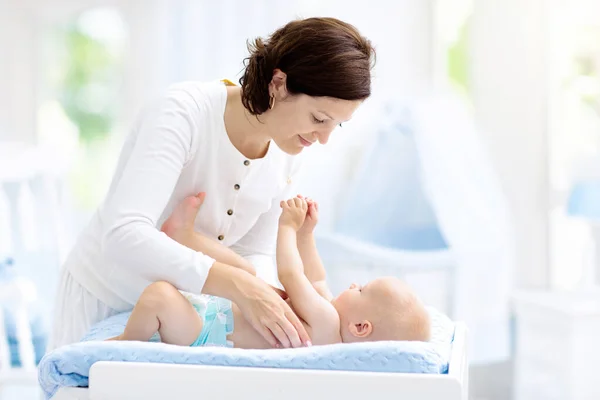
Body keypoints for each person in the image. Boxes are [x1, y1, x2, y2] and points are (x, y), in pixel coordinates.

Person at [48, 16, 375, 351]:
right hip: (107, 299)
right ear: (278, 83)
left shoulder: (290, 148)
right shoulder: (182, 114)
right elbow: (123, 234)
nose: (323, 138)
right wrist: (238, 285)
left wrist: (269, 299)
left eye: (337, 125)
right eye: (319, 119)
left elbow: (253, 251)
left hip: (183, 320)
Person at [108, 193, 430, 348]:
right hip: (214, 316)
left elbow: (292, 275)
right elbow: (315, 276)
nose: (355, 285)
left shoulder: (327, 322)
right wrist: (307, 235)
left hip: (206, 333)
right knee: (245, 270)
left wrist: (287, 227)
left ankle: (125, 343)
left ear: (361, 327)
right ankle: (184, 235)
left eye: (362, 290)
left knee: (157, 297)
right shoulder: (328, 324)